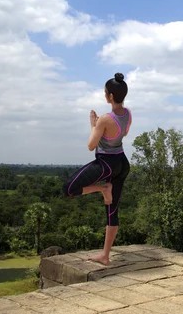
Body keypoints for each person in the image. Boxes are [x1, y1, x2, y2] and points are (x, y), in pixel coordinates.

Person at [62, 73, 131, 265]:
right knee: (112, 210)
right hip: (122, 163)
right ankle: (105, 256)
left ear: (109, 97)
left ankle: (102, 188)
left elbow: (91, 146)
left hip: (106, 164)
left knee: (68, 189)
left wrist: (94, 125)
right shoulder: (128, 114)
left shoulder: (104, 120)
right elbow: (119, 134)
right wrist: (101, 128)